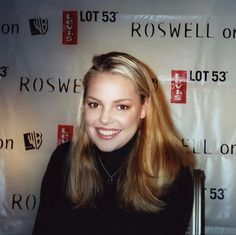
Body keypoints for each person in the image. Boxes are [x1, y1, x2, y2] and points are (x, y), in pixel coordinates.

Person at [32, 51, 195, 235]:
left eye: (121, 106)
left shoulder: (170, 172)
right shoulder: (63, 159)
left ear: (144, 108)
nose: (105, 119)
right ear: (84, 105)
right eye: (95, 104)